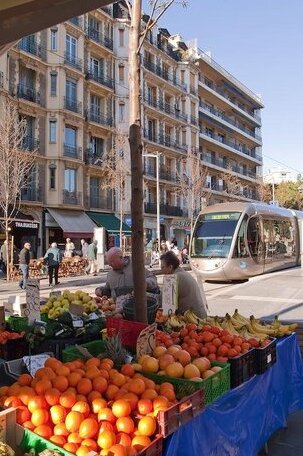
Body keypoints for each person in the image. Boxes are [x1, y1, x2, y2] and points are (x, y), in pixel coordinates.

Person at [160, 250, 207, 318]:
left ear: (170, 267)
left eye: (162, 267)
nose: (161, 270)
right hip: (201, 316)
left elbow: (167, 308)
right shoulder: (183, 273)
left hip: (191, 320)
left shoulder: (171, 278)